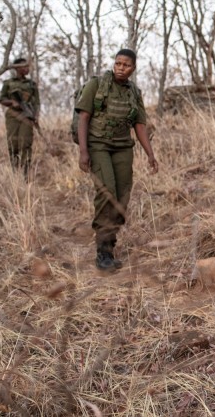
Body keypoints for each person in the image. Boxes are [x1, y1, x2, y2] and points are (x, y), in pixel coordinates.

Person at [75, 48, 158, 271]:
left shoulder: (134, 92)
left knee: (122, 198)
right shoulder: (97, 85)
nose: (121, 68)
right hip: (98, 145)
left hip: (123, 148)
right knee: (107, 192)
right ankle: (102, 252)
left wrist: (150, 154)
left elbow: (139, 126)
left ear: (133, 68)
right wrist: (84, 151)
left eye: (126, 65)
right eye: (118, 63)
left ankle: (110, 245)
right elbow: (83, 117)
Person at [0, 58, 40, 177]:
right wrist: (12, 103)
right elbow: (2, 99)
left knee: (25, 143)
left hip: (27, 116)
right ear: (17, 68)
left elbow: (37, 102)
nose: (27, 69)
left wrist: (35, 116)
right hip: (13, 116)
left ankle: (25, 174)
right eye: (24, 67)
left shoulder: (32, 84)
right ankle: (15, 172)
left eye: (28, 67)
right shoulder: (8, 83)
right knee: (13, 143)